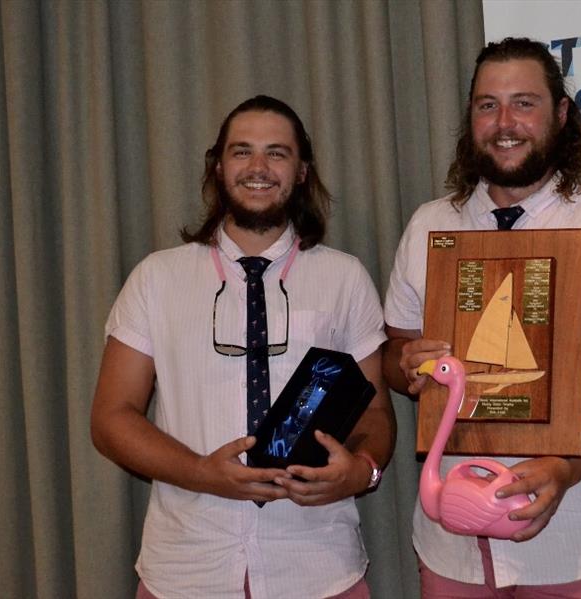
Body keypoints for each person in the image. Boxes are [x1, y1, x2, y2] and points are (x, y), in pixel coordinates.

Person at [383, 38, 581, 598]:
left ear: (562, 115)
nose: (505, 122)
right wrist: (405, 365)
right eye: (487, 105)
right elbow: (394, 356)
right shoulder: (429, 226)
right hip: (453, 546)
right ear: (470, 117)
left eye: (524, 103)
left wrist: (569, 465)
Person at [91, 95, 396, 599]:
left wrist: (359, 473)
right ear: (217, 166)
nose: (259, 168)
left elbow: (377, 414)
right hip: (185, 570)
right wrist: (200, 473)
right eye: (242, 152)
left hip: (318, 568)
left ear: (302, 171)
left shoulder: (344, 277)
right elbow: (111, 417)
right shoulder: (156, 278)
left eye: (277, 153)